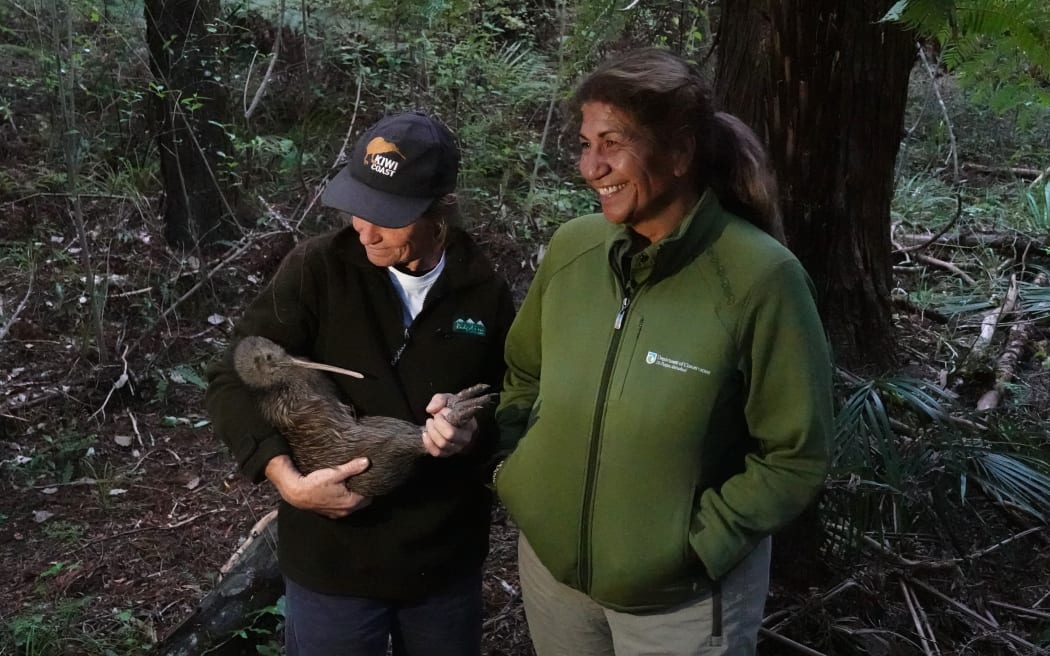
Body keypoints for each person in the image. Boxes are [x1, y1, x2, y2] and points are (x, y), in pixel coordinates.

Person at [491, 48, 833, 655]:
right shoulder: (574, 250)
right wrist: (518, 472)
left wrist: (697, 545)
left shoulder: (759, 278)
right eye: (585, 143)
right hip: (555, 584)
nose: (591, 167)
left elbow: (795, 453)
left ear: (678, 152)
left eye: (612, 143)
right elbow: (522, 370)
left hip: (683, 605)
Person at [205, 111, 515, 656]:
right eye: (358, 208)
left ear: (440, 209)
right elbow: (232, 377)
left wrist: (469, 432)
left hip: (440, 564)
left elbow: (510, 405)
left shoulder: (483, 292)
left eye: (388, 217)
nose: (364, 230)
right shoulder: (317, 271)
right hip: (332, 561)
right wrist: (286, 479)